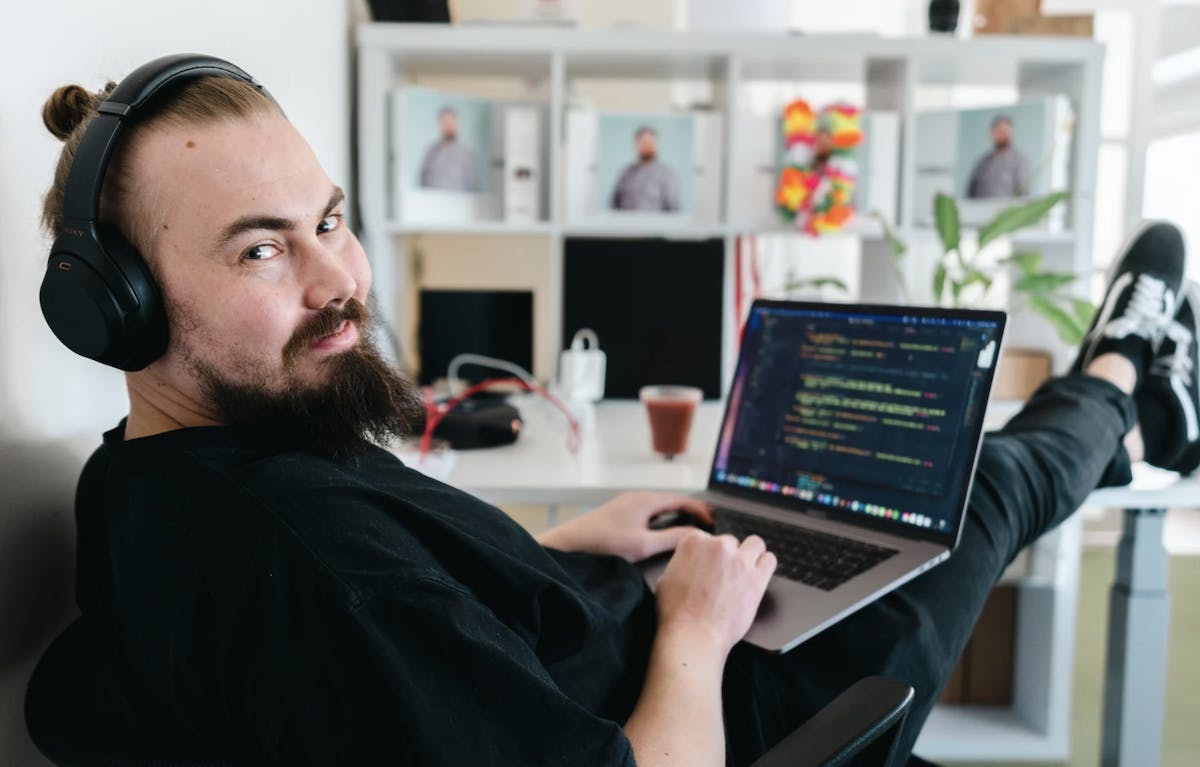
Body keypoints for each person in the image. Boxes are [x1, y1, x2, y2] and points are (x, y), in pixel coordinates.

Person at [39, 61, 1199, 766]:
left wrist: (555, 551)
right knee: (973, 488)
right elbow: (365, 613)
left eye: (330, 219)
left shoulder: (151, 474)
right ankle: (1117, 377)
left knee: (926, 486)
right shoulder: (304, 563)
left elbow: (400, 642)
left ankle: (1133, 423)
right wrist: (695, 626)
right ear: (121, 311)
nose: (337, 277)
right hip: (729, 704)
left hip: (625, 635)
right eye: (260, 247)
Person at [610, 125, 681, 212]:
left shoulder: (667, 173)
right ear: (636, 145)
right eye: (643, 142)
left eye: (650, 142)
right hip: (628, 224)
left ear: (656, 144)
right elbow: (615, 205)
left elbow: (673, 208)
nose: (647, 146)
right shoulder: (626, 173)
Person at [966, 114, 1030, 199]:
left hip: (1006, 210)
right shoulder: (982, 161)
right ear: (992, 133)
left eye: (1005, 131)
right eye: (999, 131)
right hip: (980, 210)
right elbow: (971, 190)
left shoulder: (1019, 160)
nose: (1002, 135)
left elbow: (1023, 193)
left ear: (1010, 133)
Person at [418, 105, 480, 192]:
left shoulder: (466, 154)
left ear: (456, 123)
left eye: (451, 121)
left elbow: (473, 186)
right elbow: (422, 180)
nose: (448, 126)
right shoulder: (431, 152)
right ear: (440, 124)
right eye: (445, 122)